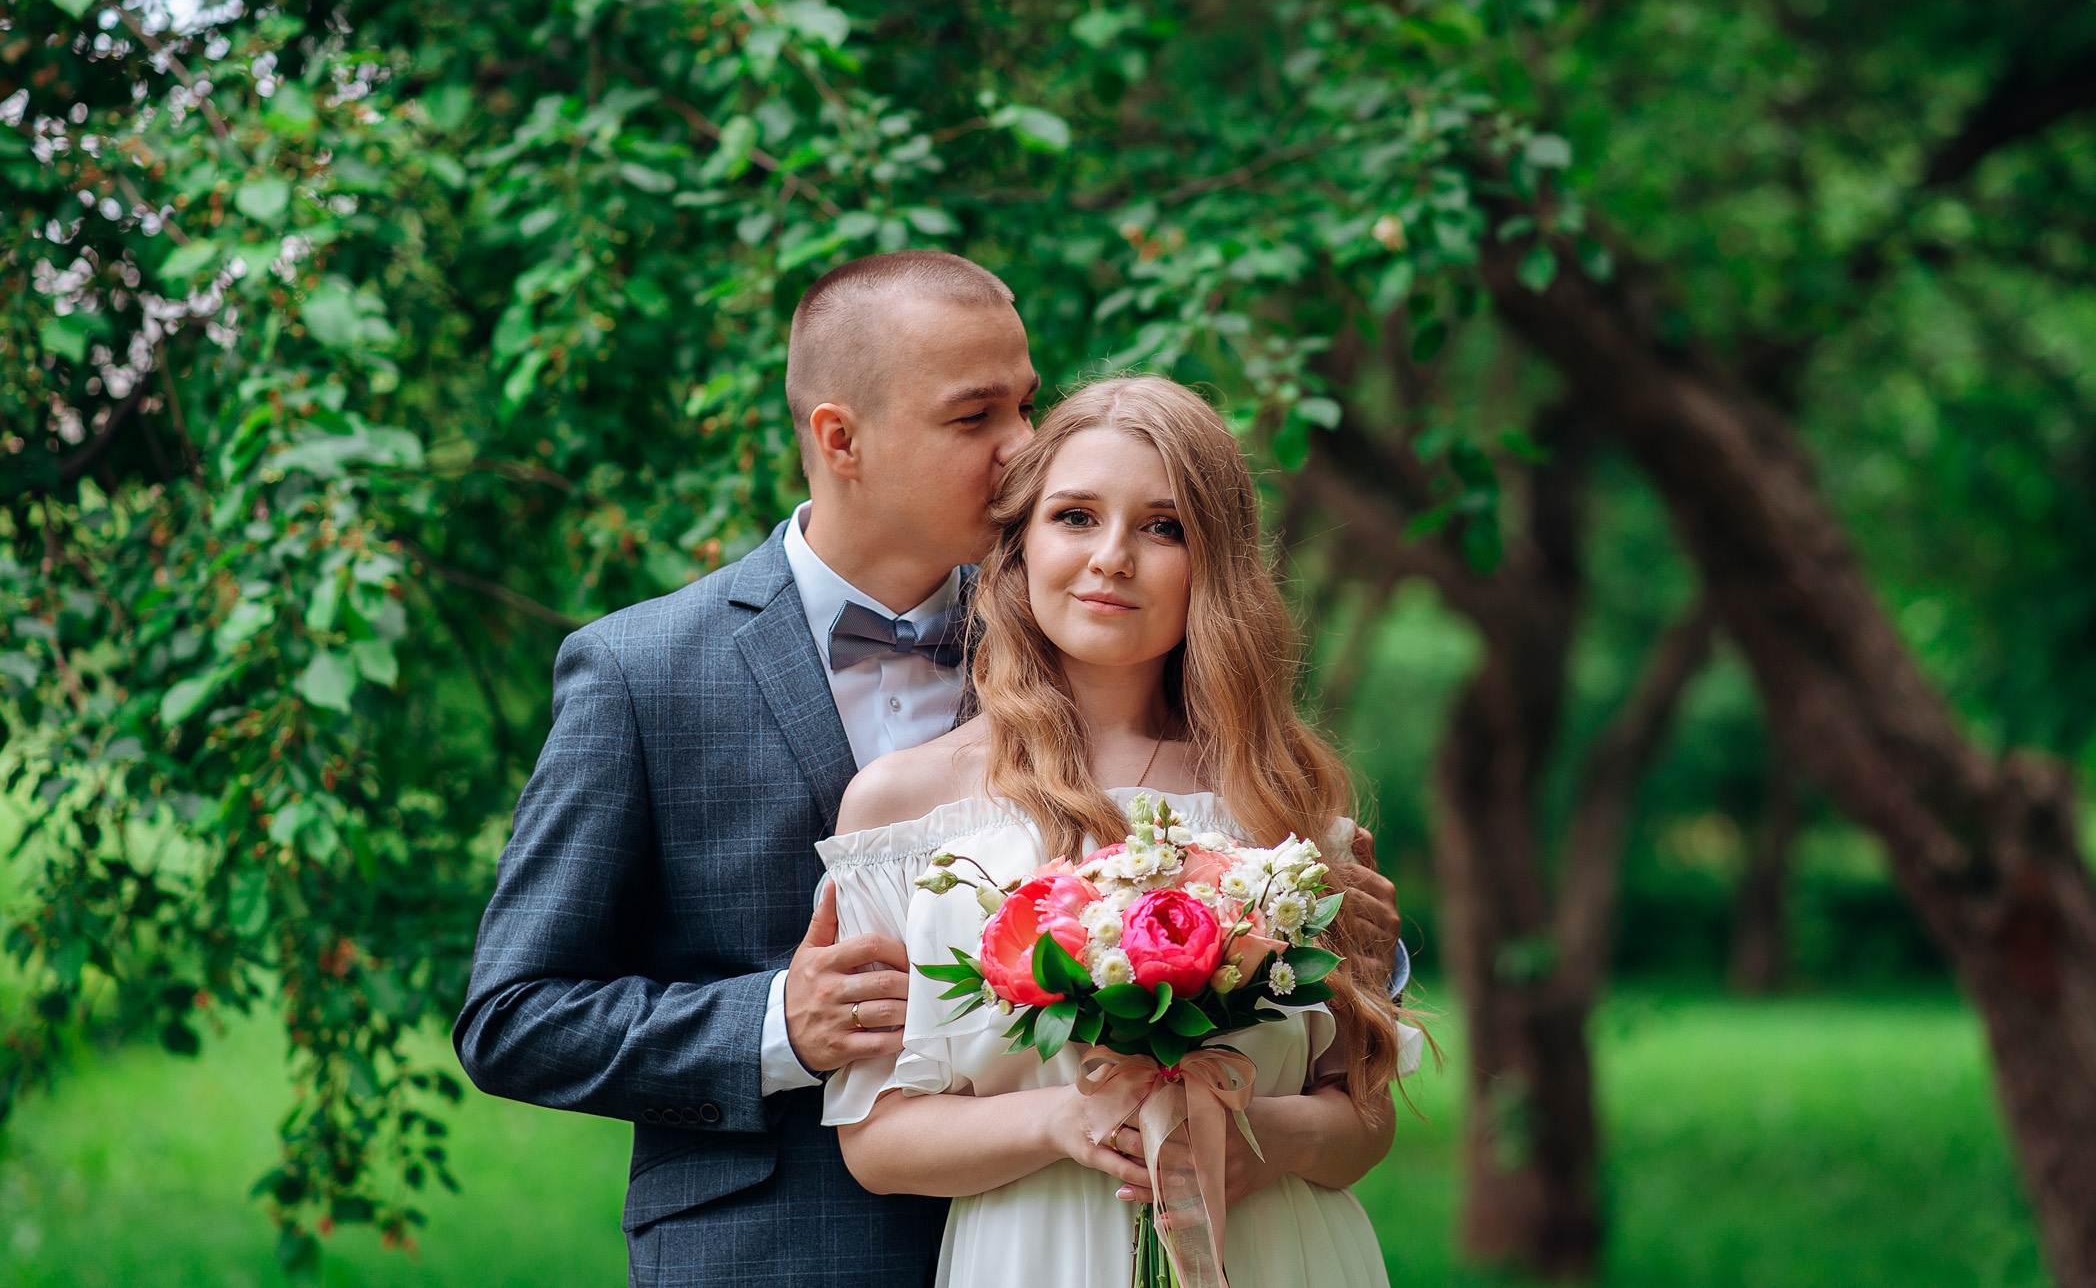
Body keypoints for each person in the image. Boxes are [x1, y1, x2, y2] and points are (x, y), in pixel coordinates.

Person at [452, 251, 1405, 1285]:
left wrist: (1349, 942)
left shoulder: (1081, 622)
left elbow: (1255, 888)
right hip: (780, 1252)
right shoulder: (644, 671)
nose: (1024, 448)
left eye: (1028, 403)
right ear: (841, 438)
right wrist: (779, 1022)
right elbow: (516, 1014)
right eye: (974, 417)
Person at [823, 375, 1417, 1287]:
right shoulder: (905, 809)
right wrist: (1064, 1119)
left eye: (1162, 526)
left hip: (1276, 1245)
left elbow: (1362, 1120)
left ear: (1213, 564)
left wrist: (1263, 1133)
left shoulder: (1286, 811)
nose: (1112, 557)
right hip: (1038, 1250)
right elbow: (878, 1141)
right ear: (1018, 544)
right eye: (1074, 516)